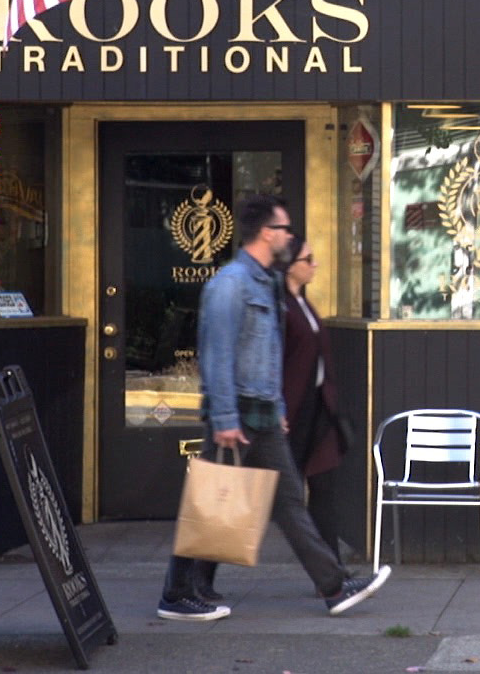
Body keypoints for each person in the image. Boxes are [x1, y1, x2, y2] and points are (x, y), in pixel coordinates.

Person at [158, 193, 390, 621]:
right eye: (284, 228)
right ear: (267, 233)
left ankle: (334, 587)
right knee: (210, 503)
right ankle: (176, 593)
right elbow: (216, 356)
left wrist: (277, 404)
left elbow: (268, 353)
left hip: (263, 415)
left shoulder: (264, 283)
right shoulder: (230, 285)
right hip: (237, 416)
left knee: (288, 504)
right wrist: (225, 418)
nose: (289, 236)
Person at [279, 234, 349, 557]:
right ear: (289, 267)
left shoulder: (304, 303)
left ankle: (333, 569)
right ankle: (196, 574)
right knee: (257, 497)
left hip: (317, 408)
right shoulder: (279, 308)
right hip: (289, 413)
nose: (315, 264)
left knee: (324, 484)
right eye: (307, 260)